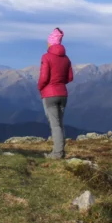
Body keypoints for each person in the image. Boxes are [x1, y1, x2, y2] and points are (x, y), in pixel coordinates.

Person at [37, 27, 74, 159]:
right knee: (60, 123)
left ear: (51, 42)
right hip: (63, 94)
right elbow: (70, 77)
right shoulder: (66, 59)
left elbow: (44, 77)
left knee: (55, 125)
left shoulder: (46, 57)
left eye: (48, 41)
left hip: (49, 94)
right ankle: (60, 151)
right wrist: (60, 82)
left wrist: (40, 87)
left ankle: (57, 154)